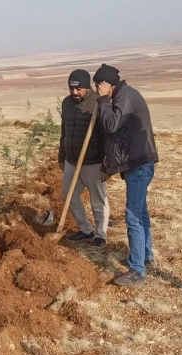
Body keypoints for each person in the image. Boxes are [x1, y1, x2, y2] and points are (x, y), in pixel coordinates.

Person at [94, 64, 159, 286]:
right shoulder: (123, 95)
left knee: (133, 215)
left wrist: (103, 101)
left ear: (106, 84)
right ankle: (145, 255)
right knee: (140, 212)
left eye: (98, 86)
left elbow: (111, 126)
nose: (97, 91)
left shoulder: (125, 96)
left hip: (139, 164)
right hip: (137, 162)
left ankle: (137, 269)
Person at [58, 69, 108, 247]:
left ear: (87, 87)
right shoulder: (66, 103)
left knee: (98, 200)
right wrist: (62, 157)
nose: (74, 92)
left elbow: (107, 136)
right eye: (71, 88)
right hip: (72, 160)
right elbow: (64, 131)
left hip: (93, 162)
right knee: (68, 195)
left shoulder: (98, 103)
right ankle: (86, 229)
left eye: (78, 89)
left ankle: (101, 235)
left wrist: (106, 164)